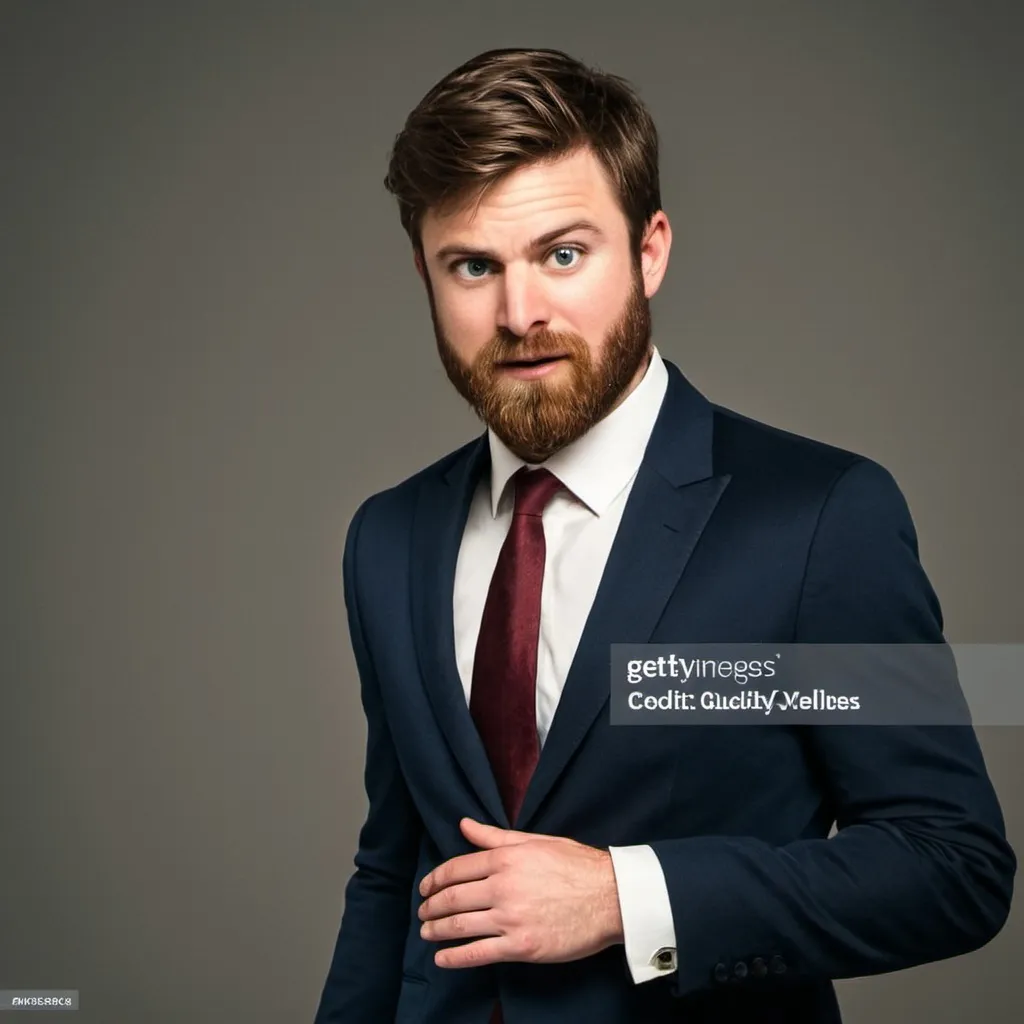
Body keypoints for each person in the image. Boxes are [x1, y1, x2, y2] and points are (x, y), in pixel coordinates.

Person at [312, 47, 1015, 1024]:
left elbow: (951, 866)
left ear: (650, 251)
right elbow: (395, 875)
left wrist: (624, 898)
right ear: (425, 273)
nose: (519, 314)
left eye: (563, 253)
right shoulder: (387, 539)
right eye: (473, 266)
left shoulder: (819, 518)